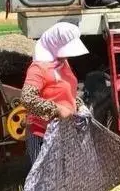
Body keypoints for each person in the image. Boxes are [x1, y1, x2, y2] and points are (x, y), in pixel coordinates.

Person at [20, 22, 91, 165]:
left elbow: (65, 91)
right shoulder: (38, 68)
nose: (66, 56)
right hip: (42, 136)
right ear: (53, 44)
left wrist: (79, 104)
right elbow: (27, 98)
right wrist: (57, 109)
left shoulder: (63, 64)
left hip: (65, 132)